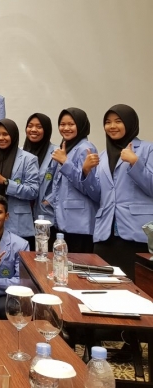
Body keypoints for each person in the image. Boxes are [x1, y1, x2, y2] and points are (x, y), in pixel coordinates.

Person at [81, 104, 153, 279]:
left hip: (137, 234)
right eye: (108, 122)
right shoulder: (103, 155)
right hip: (105, 235)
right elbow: (98, 196)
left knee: (137, 288)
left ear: (130, 123)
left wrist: (135, 162)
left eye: (118, 121)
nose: (112, 126)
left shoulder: (147, 149)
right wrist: (86, 172)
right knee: (103, 285)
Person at [0, 119, 39, 247]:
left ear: (13, 135)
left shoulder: (28, 159)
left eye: (5, 134)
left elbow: (33, 191)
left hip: (18, 224)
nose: (1, 138)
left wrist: (6, 182)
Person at [49, 108, 98, 253]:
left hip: (80, 225)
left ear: (81, 125)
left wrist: (65, 162)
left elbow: (91, 188)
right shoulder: (68, 147)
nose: (66, 128)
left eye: (71, 124)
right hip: (65, 222)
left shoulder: (85, 148)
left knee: (78, 265)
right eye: (62, 124)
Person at [22, 113, 57, 224]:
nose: (33, 130)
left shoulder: (57, 153)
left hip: (47, 213)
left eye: (39, 127)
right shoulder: (19, 153)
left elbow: (62, 184)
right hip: (22, 213)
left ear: (46, 130)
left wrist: (49, 201)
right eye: (30, 126)